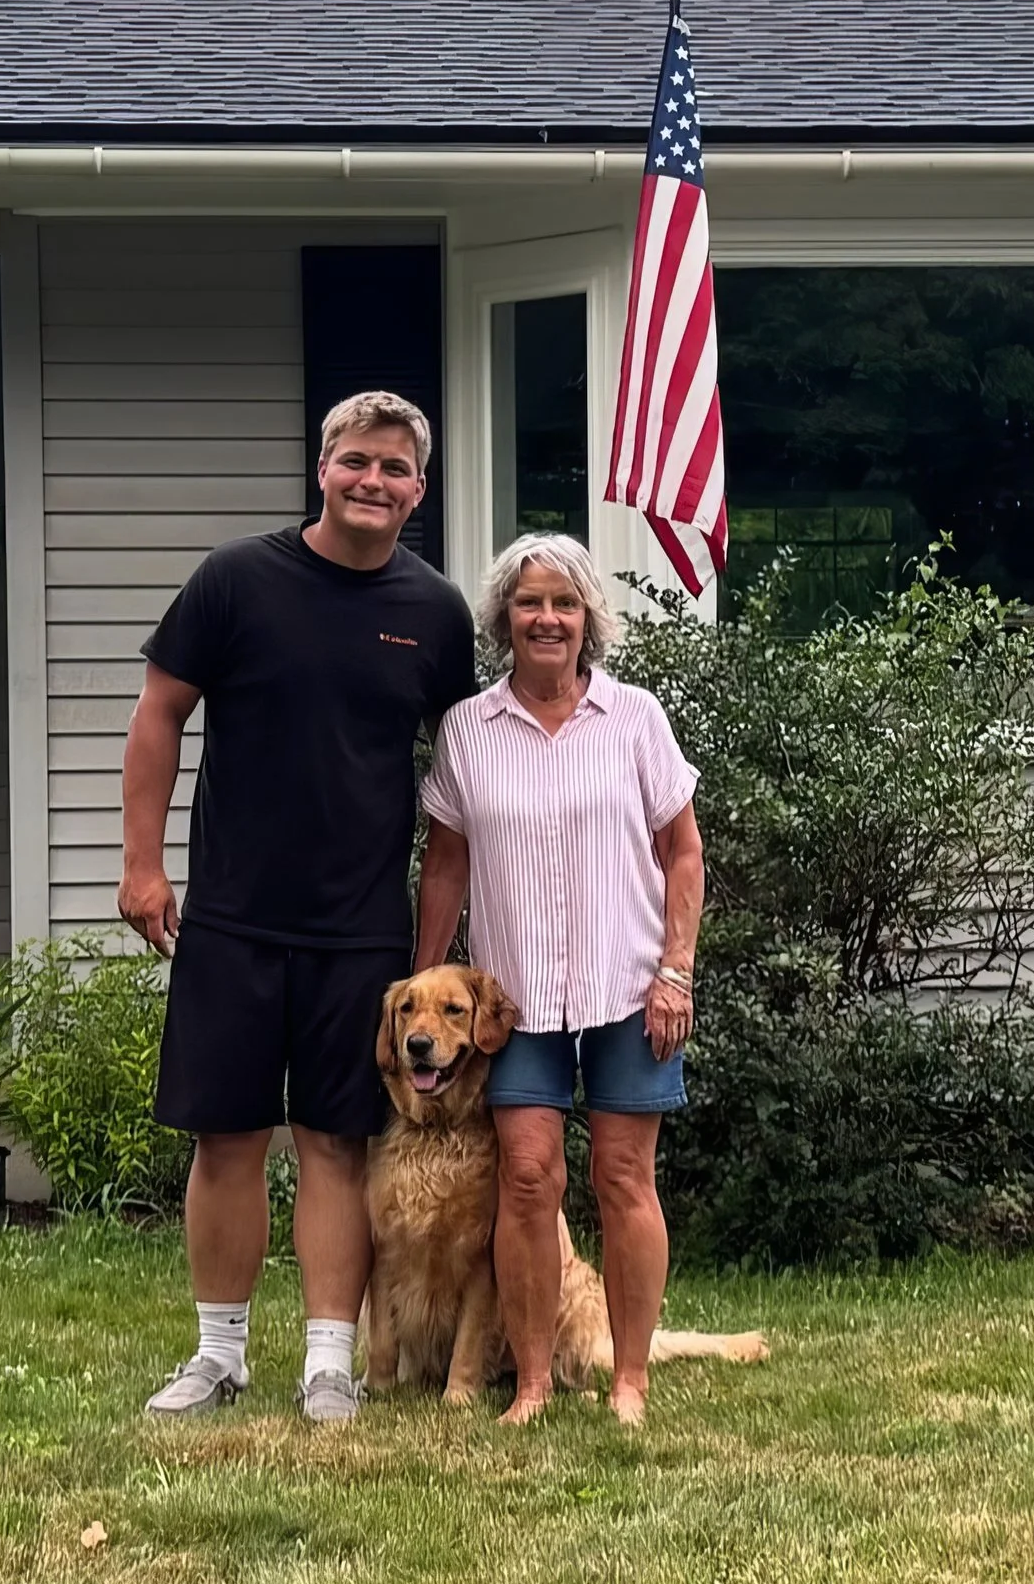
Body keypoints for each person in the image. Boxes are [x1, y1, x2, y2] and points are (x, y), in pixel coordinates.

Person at [119, 392, 477, 1425]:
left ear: (419, 488)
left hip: (360, 927)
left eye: (395, 469)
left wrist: (427, 957)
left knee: (334, 1141)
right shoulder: (236, 580)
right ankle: (218, 1355)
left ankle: (330, 1363)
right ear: (321, 468)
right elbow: (157, 717)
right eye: (356, 461)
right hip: (229, 915)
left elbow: (455, 790)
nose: (374, 481)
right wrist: (141, 867)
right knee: (226, 1138)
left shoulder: (435, 613)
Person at [413, 531, 704, 1429]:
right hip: (515, 1000)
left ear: (589, 621)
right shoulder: (469, 728)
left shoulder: (637, 719)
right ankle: (532, 1382)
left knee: (625, 1180)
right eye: (530, 602)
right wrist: (427, 976)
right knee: (529, 1180)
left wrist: (676, 972)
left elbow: (682, 853)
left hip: (629, 988)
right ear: (505, 618)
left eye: (565, 602)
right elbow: (448, 862)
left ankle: (629, 1382)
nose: (548, 617)